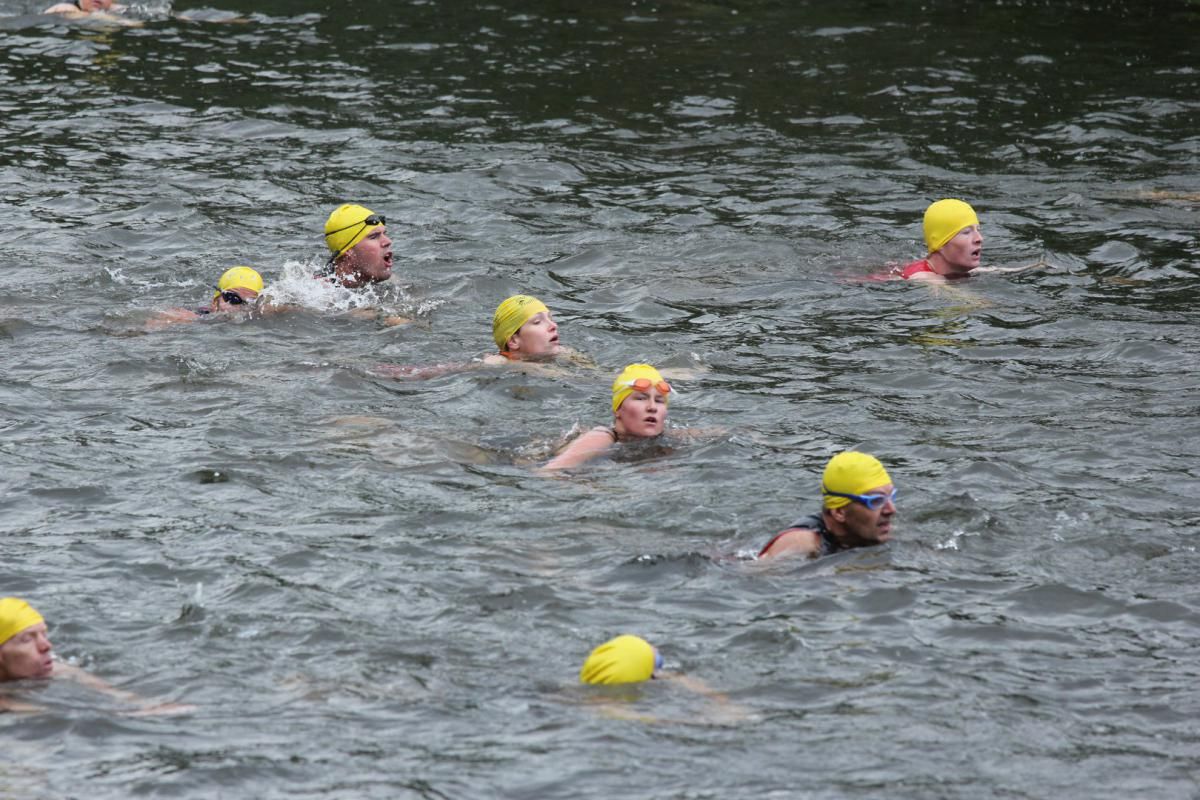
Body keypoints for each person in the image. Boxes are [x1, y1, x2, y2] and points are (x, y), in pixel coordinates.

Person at [0, 597, 191, 714]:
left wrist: (146, 704)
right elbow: (49, 714)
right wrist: (129, 715)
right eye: (27, 639)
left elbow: (117, 695)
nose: (46, 646)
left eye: (43, 634)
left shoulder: (55, 667)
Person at [757, 451, 897, 560]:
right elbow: (755, 578)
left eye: (891, 496)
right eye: (876, 501)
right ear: (839, 512)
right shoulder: (801, 543)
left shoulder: (881, 530)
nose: (891, 510)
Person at [540, 363, 671, 471]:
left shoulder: (669, 438)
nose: (652, 407)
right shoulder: (601, 437)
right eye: (641, 398)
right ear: (617, 409)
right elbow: (549, 472)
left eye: (659, 401)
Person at [145, 266, 265, 329]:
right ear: (215, 300)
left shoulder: (257, 313)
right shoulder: (191, 318)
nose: (238, 308)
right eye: (233, 299)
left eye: (250, 302)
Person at [900, 199, 983, 283]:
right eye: (966, 232)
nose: (979, 238)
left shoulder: (961, 271)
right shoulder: (924, 278)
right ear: (940, 243)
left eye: (978, 230)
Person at [321, 204, 393, 289]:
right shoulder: (320, 294)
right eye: (374, 236)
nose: (388, 241)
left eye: (384, 233)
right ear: (348, 251)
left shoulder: (393, 283)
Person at [484, 294, 562, 363]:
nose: (554, 325)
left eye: (550, 319)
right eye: (537, 322)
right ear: (513, 341)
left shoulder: (564, 353)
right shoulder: (496, 365)